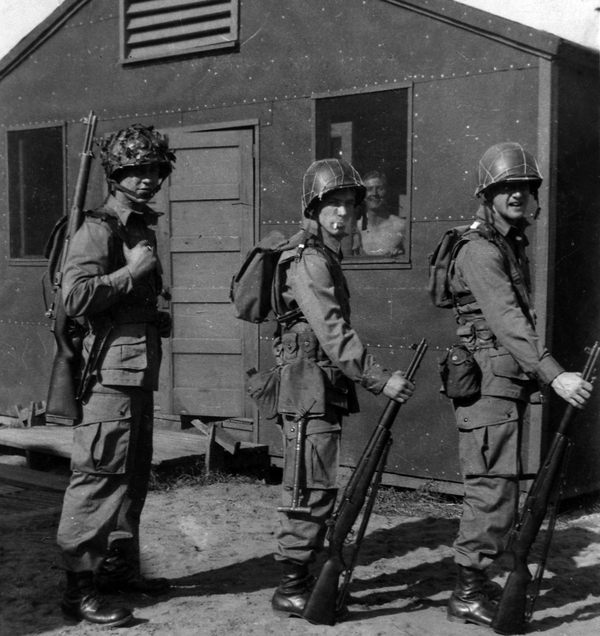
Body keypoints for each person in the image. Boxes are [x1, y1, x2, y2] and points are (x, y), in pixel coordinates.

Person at [445, 142, 592, 627]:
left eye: (524, 187)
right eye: (506, 186)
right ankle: (468, 593)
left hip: (502, 389)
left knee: (501, 491)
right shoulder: (481, 249)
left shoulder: (508, 244)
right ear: (487, 195)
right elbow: (509, 323)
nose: (517, 195)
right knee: (489, 491)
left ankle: (476, 585)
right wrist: (556, 375)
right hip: (489, 391)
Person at [269, 158, 415, 618]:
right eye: (331, 205)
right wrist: (378, 377)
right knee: (308, 486)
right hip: (305, 386)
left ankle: (302, 577)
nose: (341, 216)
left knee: (318, 483)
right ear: (313, 209)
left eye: (349, 207)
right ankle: (291, 587)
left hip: (318, 385)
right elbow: (331, 331)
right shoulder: (309, 259)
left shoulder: (324, 255)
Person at [56, 124, 176, 626]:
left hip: (138, 374)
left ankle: (119, 569)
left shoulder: (139, 227)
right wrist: (131, 273)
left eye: (153, 170)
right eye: (134, 170)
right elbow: (75, 297)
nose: (146, 180)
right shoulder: (99, 228)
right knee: (98, 477)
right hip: (109, 379)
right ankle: (79, 591)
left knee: (131, 476)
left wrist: (151, 311)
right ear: (115, 174)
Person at [358, 170, 404, 256]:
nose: (374, 193)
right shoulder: (356, 227)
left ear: (387, 193)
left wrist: (401, 255)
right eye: (369, 189)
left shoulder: (400, 225)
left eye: (380, 189)